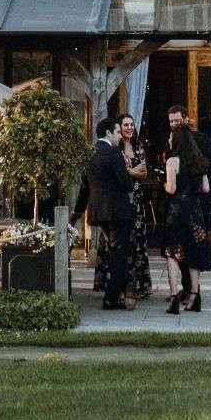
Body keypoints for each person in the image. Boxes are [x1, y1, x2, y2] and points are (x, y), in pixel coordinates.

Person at [162, 120, 211, 313]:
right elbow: (206, 188)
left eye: (170, 137)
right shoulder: (200, 161)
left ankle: (175, 296)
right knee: (194, 254)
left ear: (176, 140)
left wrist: (165, 186)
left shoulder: (172, 162)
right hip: (195, 213)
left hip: (177, 213)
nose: (168, 139)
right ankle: (195, 296)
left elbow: (172, 188)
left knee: (172, 253)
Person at [85, 116, 136, 310]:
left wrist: (77, 213)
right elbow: (126, 183)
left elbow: (85, 186)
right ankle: (112, 297)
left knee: (114, 252)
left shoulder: (90, 153)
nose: (119, 136)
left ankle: (114, 294)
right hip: (118, 212)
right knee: (119, 255)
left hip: (99, 212)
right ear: (108, 133)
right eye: (117, 132)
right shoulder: (114, 153)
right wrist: (130, 173)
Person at [118, 115, 154, 301]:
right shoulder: (116, 147)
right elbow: (119, 174)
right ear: (120, 127)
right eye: (126, 125)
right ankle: (122, 285)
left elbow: (145, 172)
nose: (129, 128)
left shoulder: (138, 146)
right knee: (123, 241)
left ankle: (140, 285)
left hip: (137, 199)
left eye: (131, 124)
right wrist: (133, 172)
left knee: (138, 241)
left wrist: (129, 172)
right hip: (121, 199)